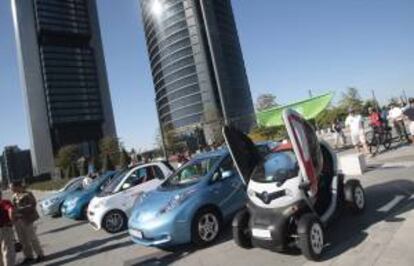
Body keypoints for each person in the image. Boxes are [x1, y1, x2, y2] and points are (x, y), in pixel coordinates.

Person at [11, 182, 44, 264]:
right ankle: (28, 256)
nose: (12, 190)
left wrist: (20, 209)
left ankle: (40, 254)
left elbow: (32, 205)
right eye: (11, 188)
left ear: (18, 186)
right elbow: (12, 207)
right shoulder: (14, 196)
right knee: (22, 240)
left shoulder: (28, 194)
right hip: (18, 220)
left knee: (32, 238)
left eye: (13, 188)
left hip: (28, 219)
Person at [0, 191, 15, 266]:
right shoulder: (4, 202)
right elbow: (11, 210)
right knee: (7, 250)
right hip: (4, 228)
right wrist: (11, 221)